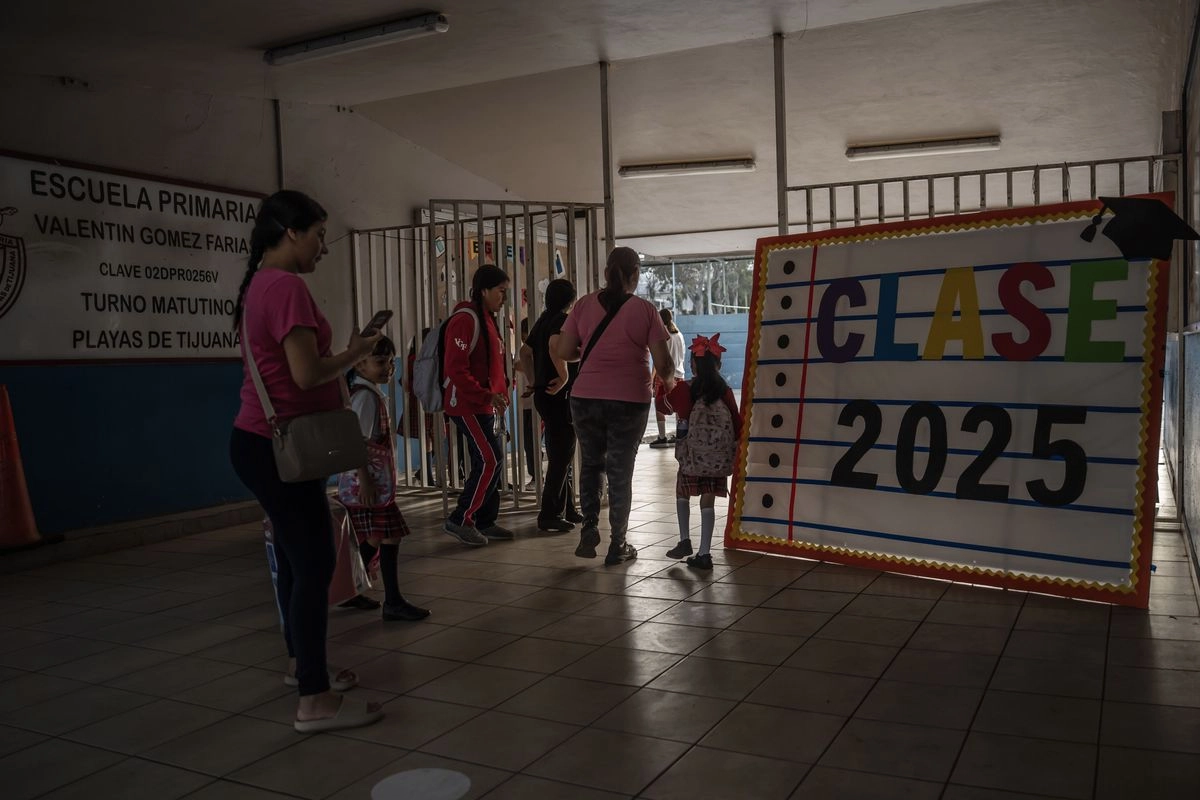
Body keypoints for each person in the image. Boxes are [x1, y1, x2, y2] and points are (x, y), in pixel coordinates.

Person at [228, 189, 383, 734]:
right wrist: (357, 352)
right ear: (291, 232)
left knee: (299, 562)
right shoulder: (286, 286)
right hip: (279, 448)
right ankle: (314, 702)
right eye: (318, 234)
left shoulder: (260, 284)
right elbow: (307, 374)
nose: (323, 246)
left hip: (265, 444)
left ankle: (303, 667)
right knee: (315, 563)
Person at [557, 247, 676, 565]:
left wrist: (592, 352)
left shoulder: (582, 305)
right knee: (621, 472)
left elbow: (568, 351)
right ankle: (618, 545)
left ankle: (589, 528)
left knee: (591, 464)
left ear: (607, 271)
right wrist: (672, 383)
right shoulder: (646, 310)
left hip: (585, 397)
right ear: (634, 274)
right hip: (629, 400)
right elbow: (663, 365)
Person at [337, 335, 431, 621]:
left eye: (391, 361)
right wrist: (365, 479)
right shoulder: (364, 397)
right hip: (368, 484)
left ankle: (347, 590)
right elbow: (356, 442)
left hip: (373, 483)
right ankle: (392, 601)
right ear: (359, 364)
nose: (389, 368)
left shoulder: (370, 393)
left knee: (377, 536)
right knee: (391, 535)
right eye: (380, 362)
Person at [442, 264, 514, 546]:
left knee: (489, 461)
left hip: (485, 404)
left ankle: (484, 520)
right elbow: (457, 369)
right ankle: (460, 519)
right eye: (500, 291)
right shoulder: (465, 320)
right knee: (489, 459)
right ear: (483, 290)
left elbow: (492, 364)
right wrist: (486, 396)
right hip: (467, 404)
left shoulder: (488, 319)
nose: (503, 297)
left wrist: (500, 393)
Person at [661, 334, 742, 570]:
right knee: (708, 500)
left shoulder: (686, 389)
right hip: (717, 457)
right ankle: (704, 553)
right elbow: (737, 422)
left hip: (691, 455)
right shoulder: (724, 390)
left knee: (682, 493)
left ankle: (684, 540)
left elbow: (662, 406)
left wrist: (666, 384)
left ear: (693, 365)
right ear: (718, 364)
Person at [520, 278, 583, 532]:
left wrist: (534, 381)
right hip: (559, 396)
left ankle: (567, 508)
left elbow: (525, 352)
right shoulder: (560, 321)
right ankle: (549, 515)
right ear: (570, 300)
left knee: (562, 453)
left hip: (543, 395)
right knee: (561, 455)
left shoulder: (543, 320)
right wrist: (565, 376)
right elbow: (554, 346)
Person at [649, 307, 687, 449]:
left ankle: (662, 437)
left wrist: (652, 378)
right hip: (679, 374)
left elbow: (658, 358)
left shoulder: (661, 334)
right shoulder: (679, 335)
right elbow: (682, 357)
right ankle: (679, 434)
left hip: (664, 375)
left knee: (659, 405)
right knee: (679, 406)